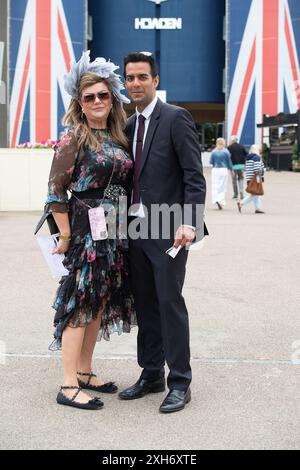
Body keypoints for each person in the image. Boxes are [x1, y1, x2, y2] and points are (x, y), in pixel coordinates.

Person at [45, 51, 136, 410]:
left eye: (103, 95)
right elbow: (55, 193)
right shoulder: (73, 139)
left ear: (112, 98)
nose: (97, 101)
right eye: (89, 97)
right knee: (80, 303)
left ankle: (84, 371)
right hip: (84, 229)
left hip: (112, 229)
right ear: (79, 104)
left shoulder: (117, 138)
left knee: (97, 304)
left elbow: (122, 183)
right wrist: (66, 237)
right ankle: (68, 386)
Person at [118, 52, 207, 413]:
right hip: (133, 228)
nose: (135, 83)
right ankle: (151, 372)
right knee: (144, 303)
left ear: (155, 80)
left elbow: (193, 176)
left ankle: (180, 382)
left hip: (169, 229)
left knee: (169, 302)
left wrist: (190, 221)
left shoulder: (175, 117)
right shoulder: (125, 125)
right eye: (130, 78)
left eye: (142, 77)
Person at [237, 145, 265, 214]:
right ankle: (241, 203)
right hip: (255, 178)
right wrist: (262, 171)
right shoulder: (256, 157)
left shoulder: (248, 158)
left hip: (249, 178)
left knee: (256, 193)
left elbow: (246, 168)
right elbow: (257, 168)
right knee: (255, 194)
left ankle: (257, 208)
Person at [210, 138, 233, 210]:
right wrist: (231, 170)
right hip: (223, 170)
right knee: (222, 186)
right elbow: (229, 162)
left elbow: (211, 162)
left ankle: (216, 199)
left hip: (215, 170)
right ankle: (220, 200)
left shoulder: (213, 151)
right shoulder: (226, 151)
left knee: (215, 185)